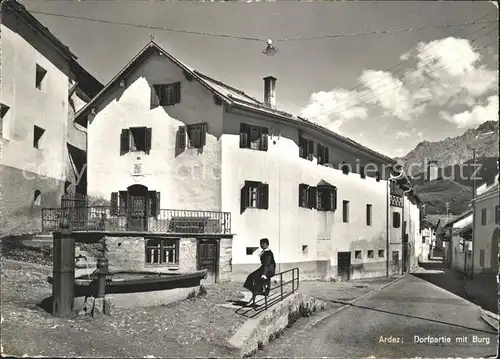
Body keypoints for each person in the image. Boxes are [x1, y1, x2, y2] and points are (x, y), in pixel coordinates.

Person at [243, 238, 276, 307]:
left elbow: (267, 264)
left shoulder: (268, 253)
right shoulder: (265, 252)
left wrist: (264, 274)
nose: (262, 245)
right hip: (264, 268)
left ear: (267, 245)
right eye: (261, 244)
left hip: (269, 269)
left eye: (263, 244)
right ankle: (258, 291)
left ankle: (261, 291)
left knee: (255, 279)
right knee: (251, 277)